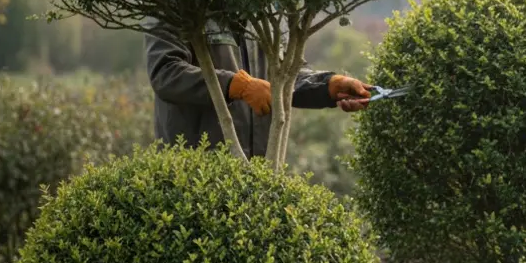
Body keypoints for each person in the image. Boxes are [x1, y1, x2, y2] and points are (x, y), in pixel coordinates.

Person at [145, 19, 371, 156]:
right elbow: (166, 72)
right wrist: (235, 85)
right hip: (196, 173)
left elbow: (283, 75)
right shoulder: (175, 0)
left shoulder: (264, 13)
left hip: (259, 168)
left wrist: (328, 86)